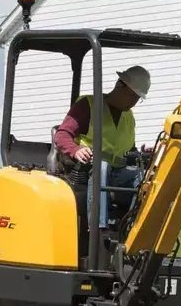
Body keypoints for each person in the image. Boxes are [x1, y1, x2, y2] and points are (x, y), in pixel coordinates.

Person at [53, 65, 150, 226]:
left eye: (137, 98)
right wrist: (76, 150)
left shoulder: (128, 117)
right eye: (132, 95)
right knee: (102, 167)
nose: (133, 102)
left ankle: (134, 227)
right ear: (119, 85)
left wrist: (141, 153)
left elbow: (126, 150)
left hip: (117, 173)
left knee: (144, 177)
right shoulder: (88, 105)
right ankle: (99, 228)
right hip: (86, 170)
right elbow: (62, 135)